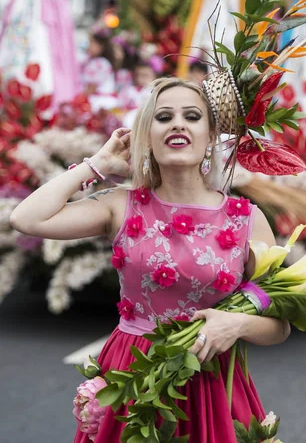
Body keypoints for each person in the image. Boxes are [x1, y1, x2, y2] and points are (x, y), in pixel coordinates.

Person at [10, 77, 290, 443]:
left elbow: (279, 324)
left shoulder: (247, 219)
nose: (177, 124)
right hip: (132, 377)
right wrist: (97, 164)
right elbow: (26, 219)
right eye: (163, 117)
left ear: (209, 136)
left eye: (191, 116)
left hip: (209, 384)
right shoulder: (120, 204)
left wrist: (235, 325)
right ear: (147, 136)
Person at [81, 23, 118, 112]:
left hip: (99, 104)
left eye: (92, 43)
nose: (89, 46)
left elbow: (91, 87)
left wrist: (79, 101)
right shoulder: (91, 61)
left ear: (101, 47)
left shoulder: (100, 63)